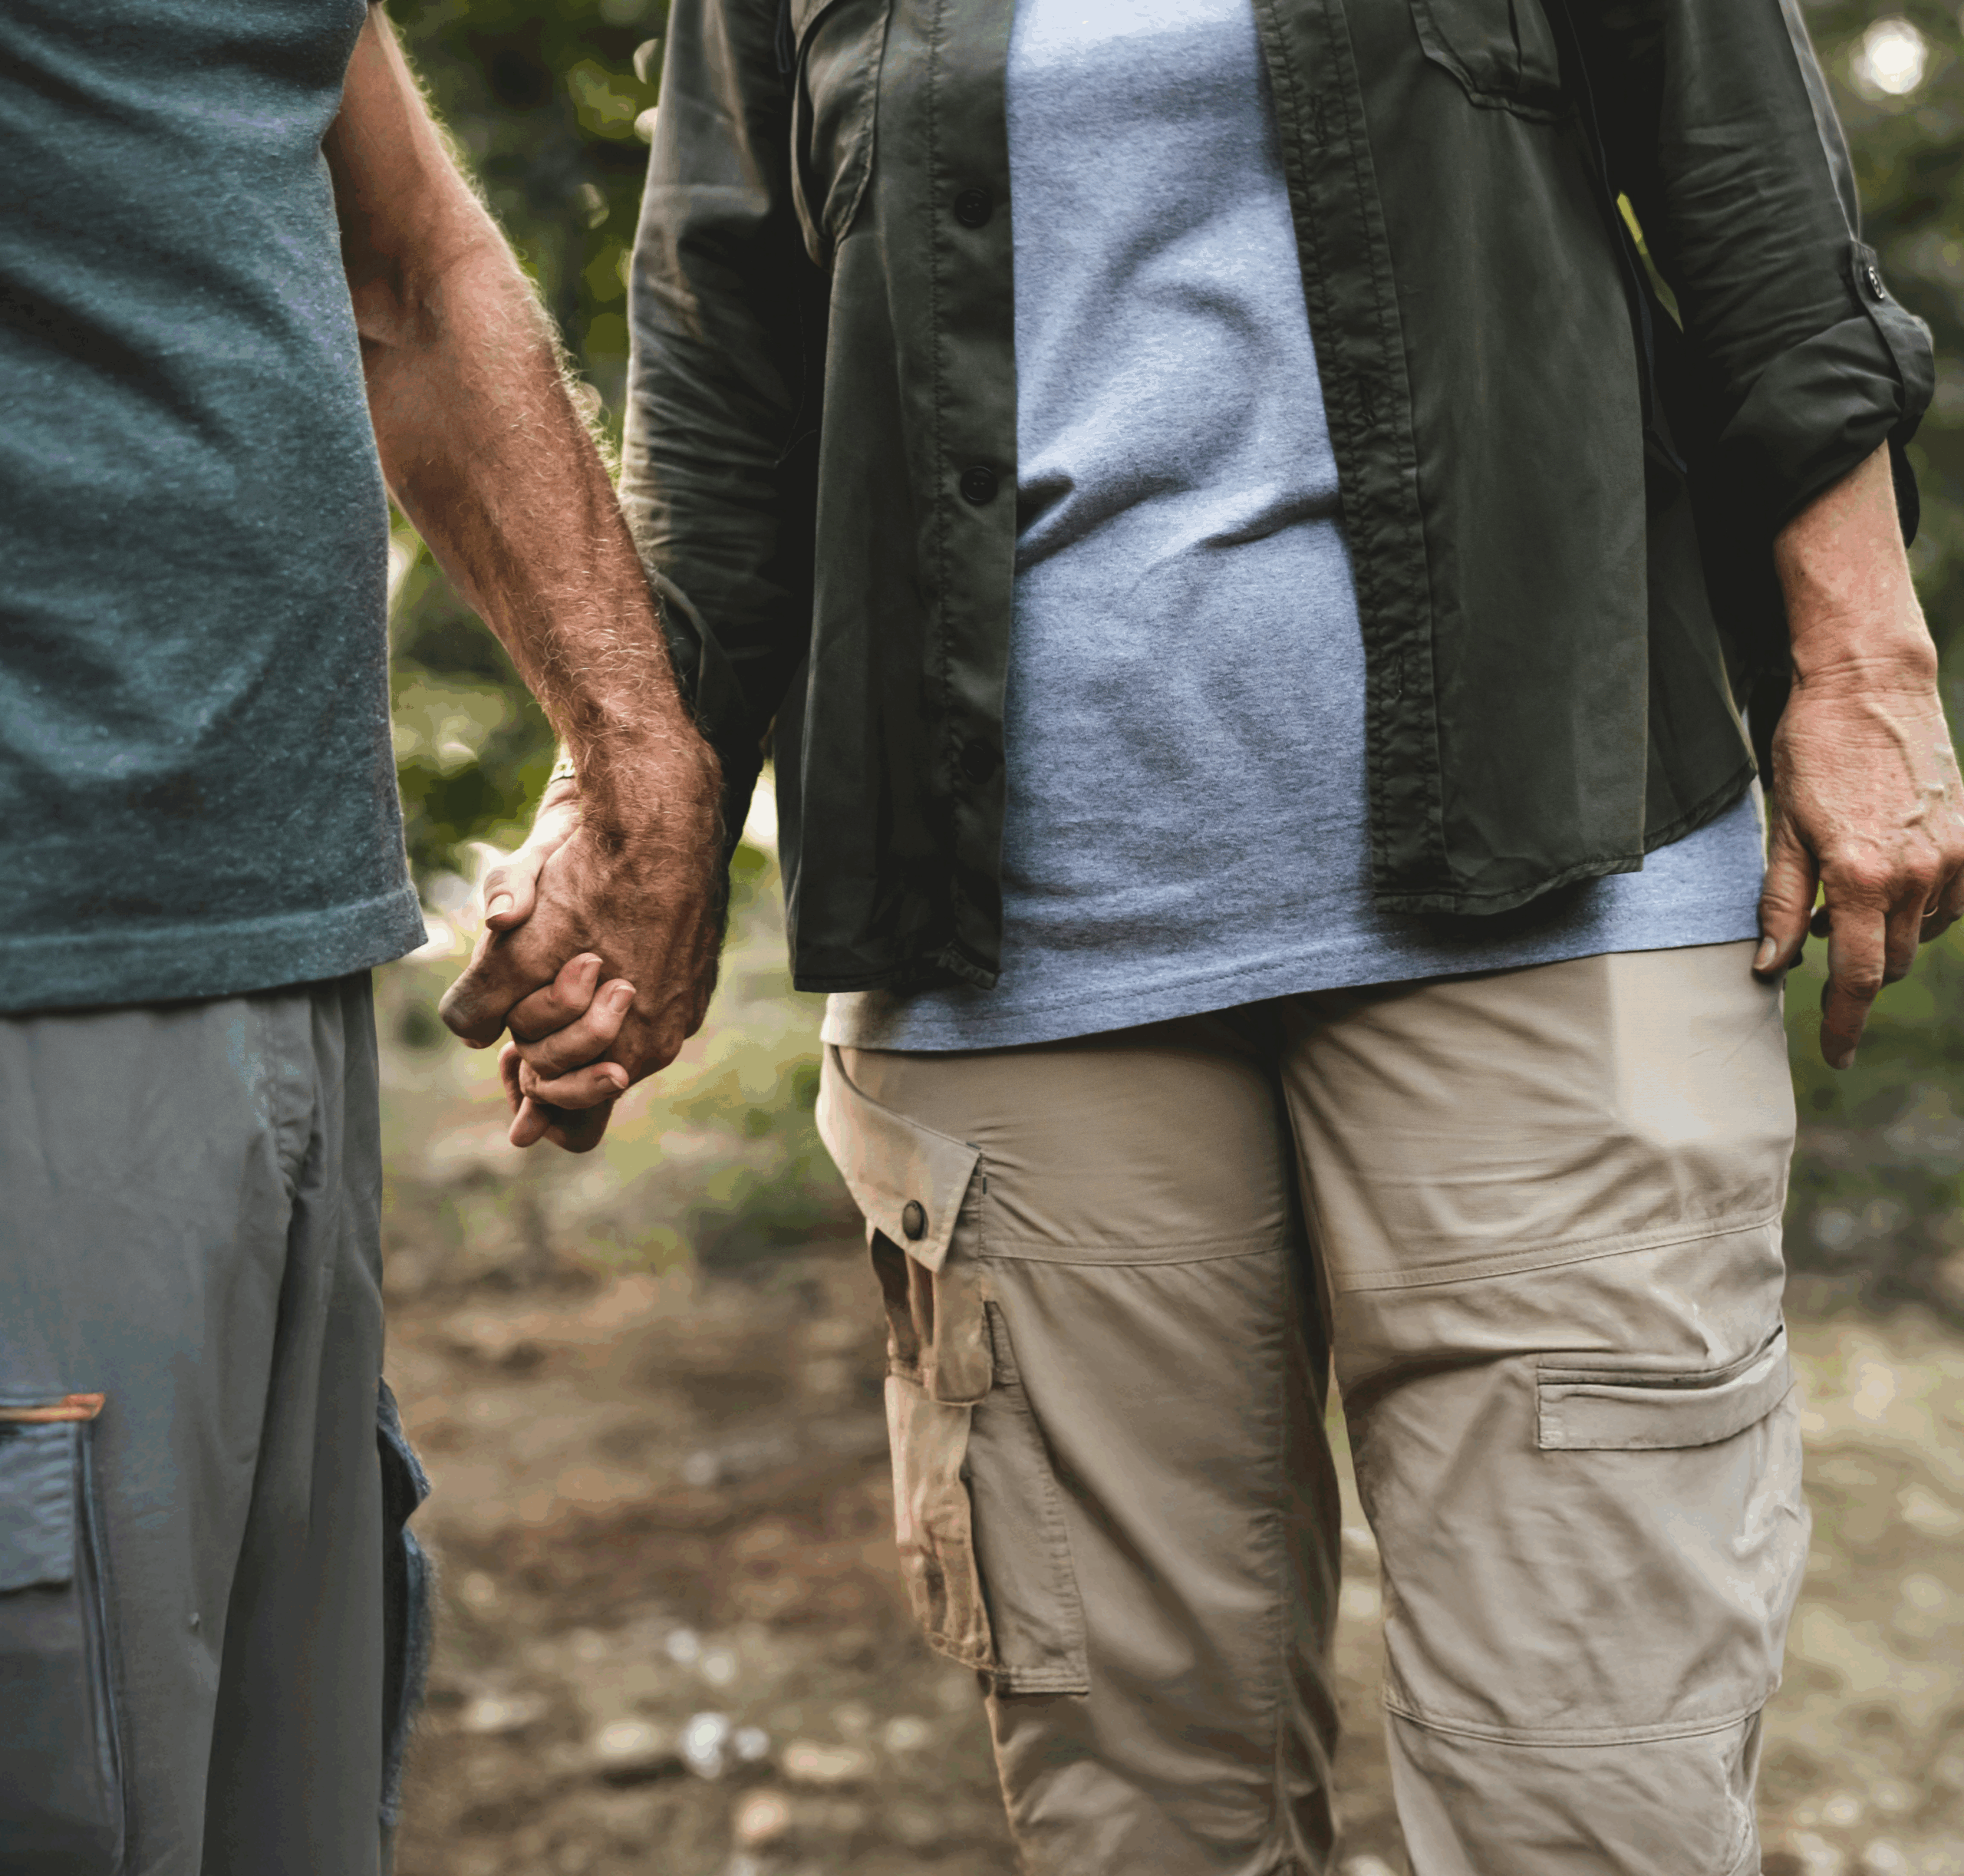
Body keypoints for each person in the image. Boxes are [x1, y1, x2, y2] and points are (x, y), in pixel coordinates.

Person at [443, 0, 1964, 1868]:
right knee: (1147, 1819)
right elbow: (720, 374)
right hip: (1016, 972)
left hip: (1550, 894)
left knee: (1596, 1802)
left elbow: (1747, 193)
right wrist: (618, 815)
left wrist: (1859, 653)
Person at [0, 5, 719, 1869]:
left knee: (277, 1807)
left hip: (284, 951)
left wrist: (631, 745)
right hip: (43, 961)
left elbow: (407, 268)